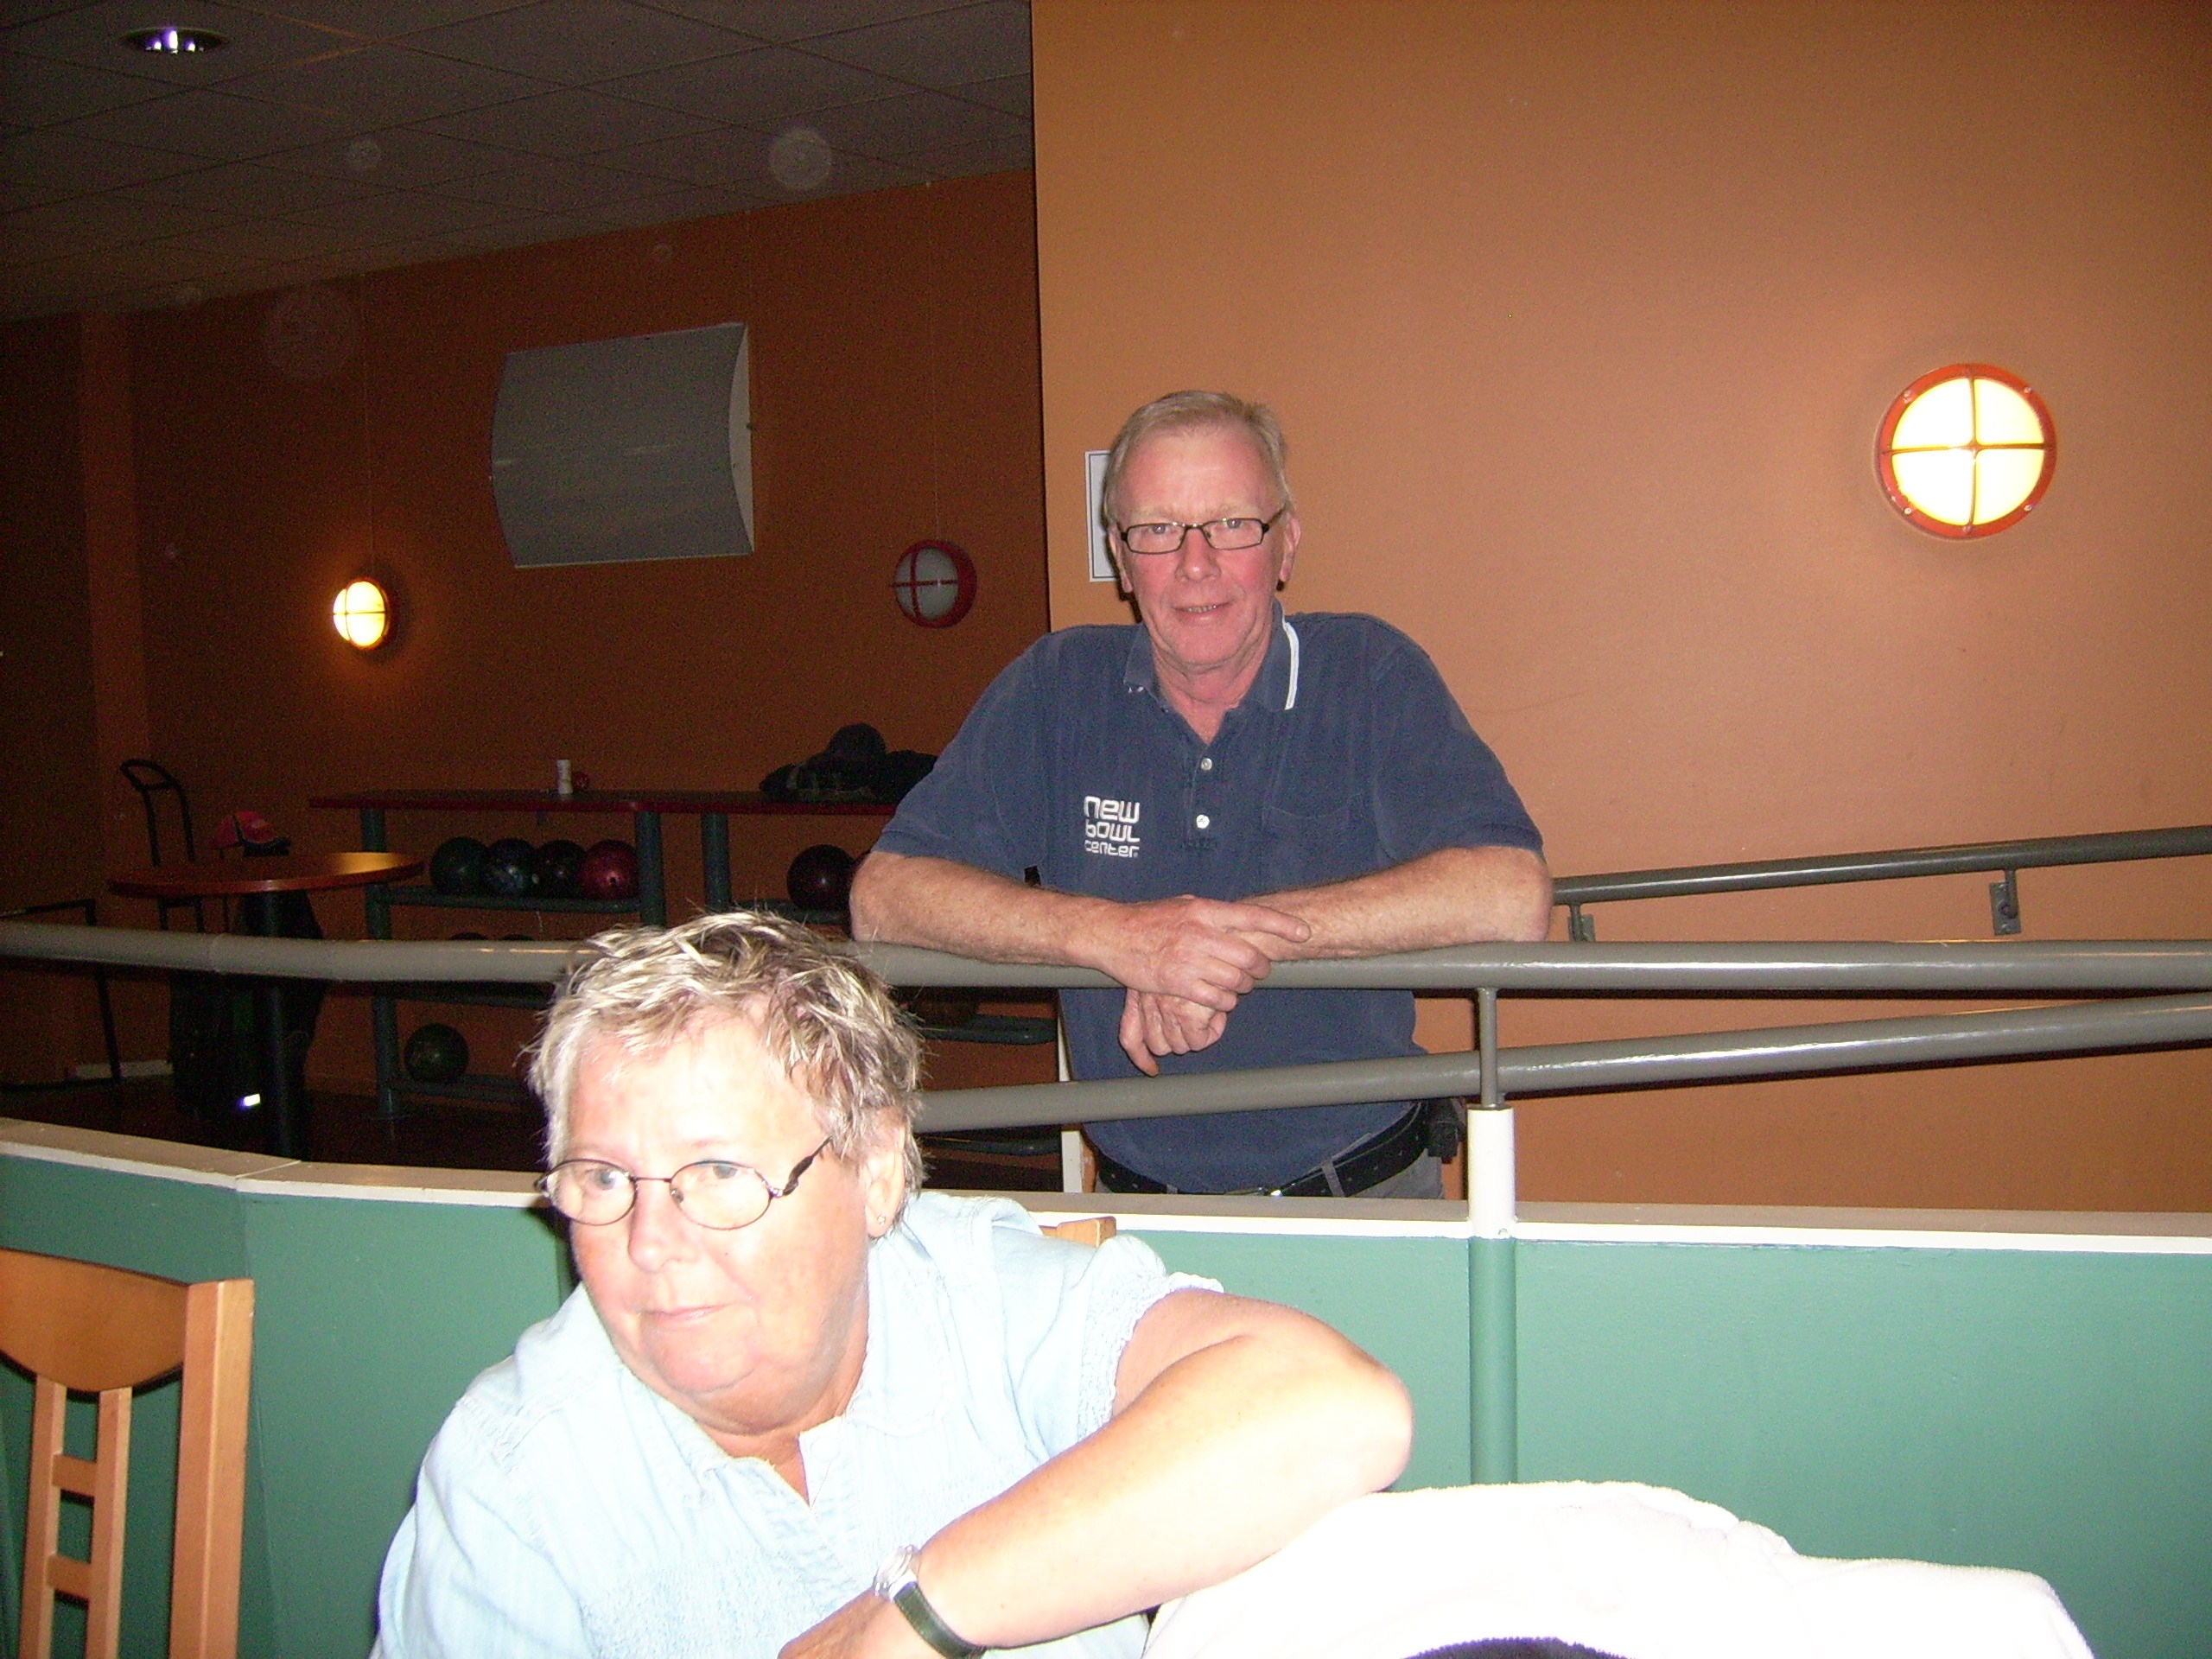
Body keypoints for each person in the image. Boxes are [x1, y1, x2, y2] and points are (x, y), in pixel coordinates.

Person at [373, 912, 1411, 1659]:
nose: (650, 1244)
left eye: (720, 1174)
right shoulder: (512, 1478)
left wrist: (910, 1616)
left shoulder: (976, 1295)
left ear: (875, 1173)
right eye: (603, 1179)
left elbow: (1332, 1409)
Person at [850, 391, 1550, 1197]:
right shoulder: (1056, 686)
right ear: (1121, 557)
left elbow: (1511, 896)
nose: (1195, 563)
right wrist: (1118, 937)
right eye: (1157, 530)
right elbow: (884, 899)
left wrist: (1220, 946)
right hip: (1138, 1212)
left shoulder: (1369, 672)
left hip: (1365, 1194)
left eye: (1231, 524)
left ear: (1285, 545)